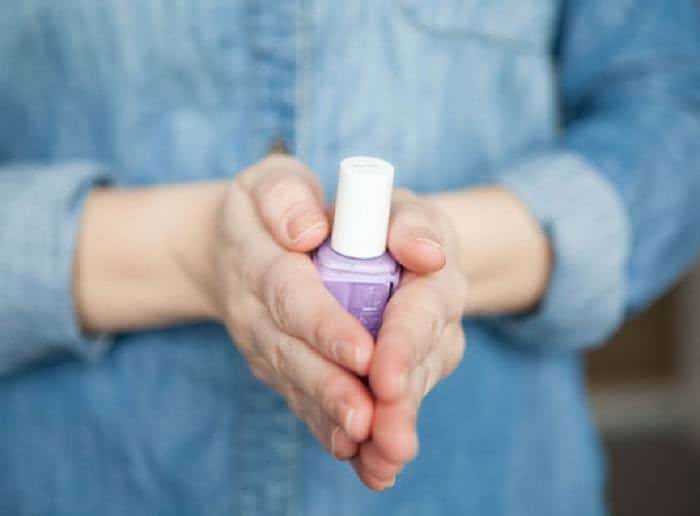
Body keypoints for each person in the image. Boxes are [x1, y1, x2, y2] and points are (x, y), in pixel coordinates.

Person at [1, 1, 699, 515]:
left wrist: (456, 255)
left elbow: (673, 112)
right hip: (78, 477)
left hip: (491, 480)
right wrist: (197, 253)